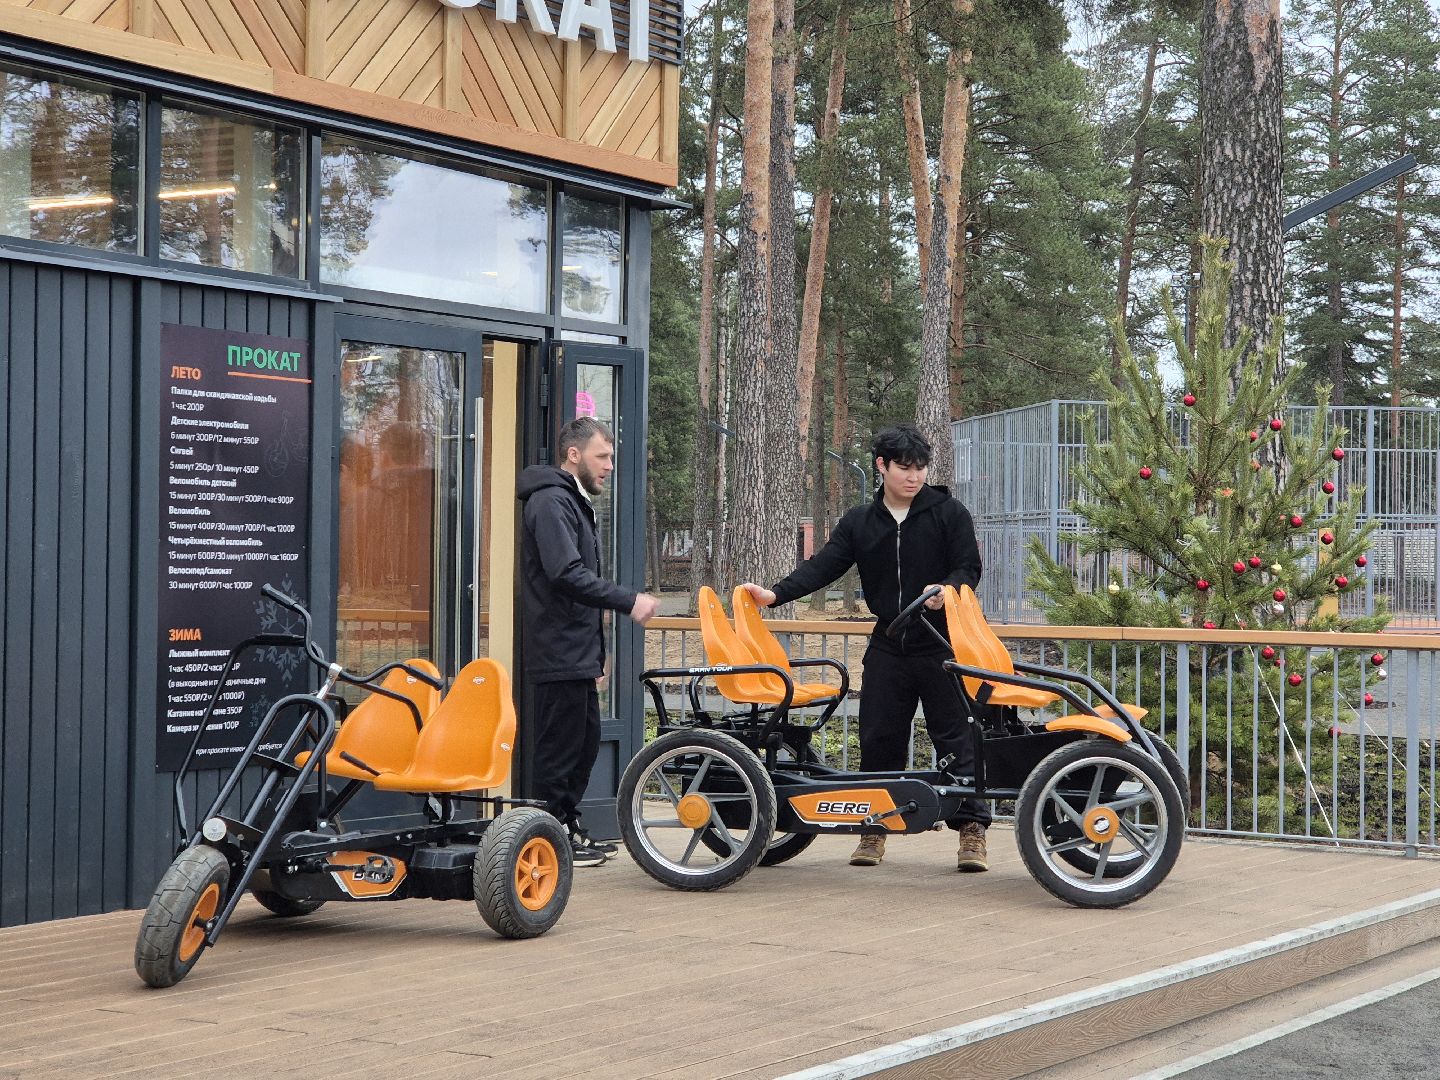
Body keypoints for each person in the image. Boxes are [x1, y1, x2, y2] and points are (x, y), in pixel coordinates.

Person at [741, 424, 991, 871]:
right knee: (879, 736)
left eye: (920, 468)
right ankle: (874, 829)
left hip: (942, 644)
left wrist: (947, 589)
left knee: (957, 735)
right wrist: (775, 594)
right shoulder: (860, 521)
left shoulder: (949, 512)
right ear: (882, 466)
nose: (914, 477)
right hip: (888, 643)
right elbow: (823, 566)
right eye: (904, 468)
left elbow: (969, 567)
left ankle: (972, 833)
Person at [518, 417, 659, 866]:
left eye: (612, 457)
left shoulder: (571, 502)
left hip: (577, 651)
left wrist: (599, 652)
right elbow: (566, 574)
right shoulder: (549, 502)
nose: (610, 466)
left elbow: (576, 585)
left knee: (583, 743)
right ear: (574, 455)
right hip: (556, 651)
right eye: (603, 456)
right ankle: (544, 840)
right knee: (559, 751)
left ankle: (563, 828)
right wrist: (629, 600)